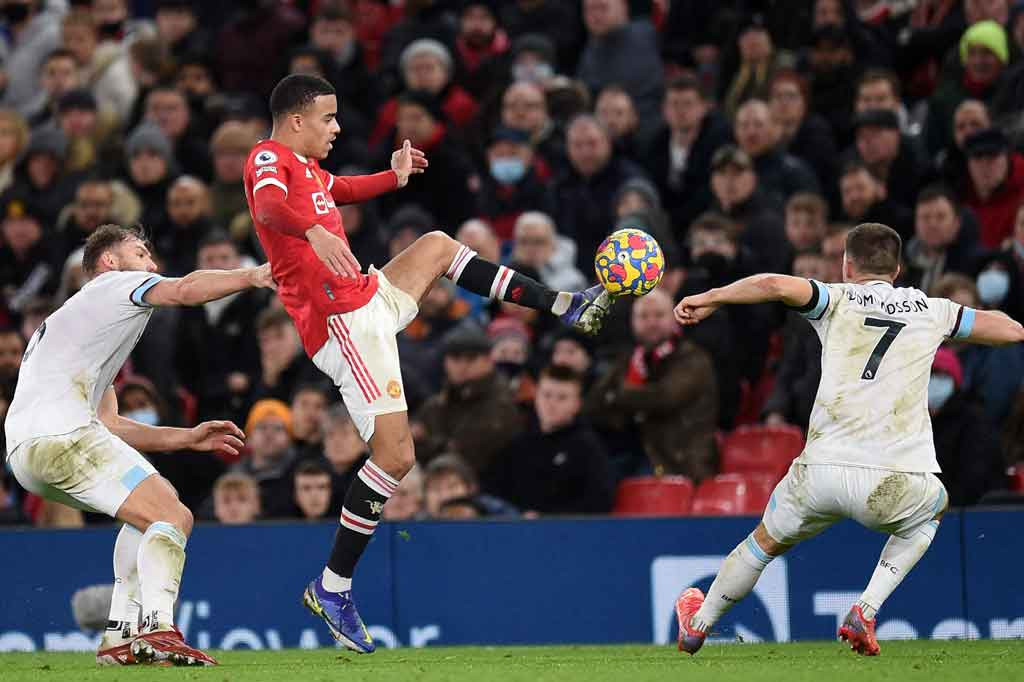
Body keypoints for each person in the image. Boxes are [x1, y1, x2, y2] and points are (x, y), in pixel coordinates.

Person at [243, 74, 613, 654]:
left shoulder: (310, 170)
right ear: (295, 121)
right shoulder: (269, 157)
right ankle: (333, 587)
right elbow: (268, 207)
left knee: (438, 246)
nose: (337, 127)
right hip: (342, 324)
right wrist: (312, 230)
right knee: (397, 457)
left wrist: (392, 177)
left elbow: (342, 189)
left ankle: (564, 304)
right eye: (328, 119)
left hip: (365, 295)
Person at [672, 222, 1024, 657]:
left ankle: (699, 624)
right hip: (896, 479)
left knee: (764, 542)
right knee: (933, 507)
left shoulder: (834, 299)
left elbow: (771, 283)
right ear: (897, 268)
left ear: (846, 264)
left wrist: (710, 298)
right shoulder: (932, 310)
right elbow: (1009, 331)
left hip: (820, 471)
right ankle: (866, 609)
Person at [4, 224, 275, 666]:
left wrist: (185, 437)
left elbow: (109, 423)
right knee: (174, 515)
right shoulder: (112, 286)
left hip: (28, 453)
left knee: (156, 508)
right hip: (61, 435)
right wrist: (251, 275)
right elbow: (186, 289)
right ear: (109, 262)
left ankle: (119, 636)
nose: (151, 264)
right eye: (141, 253)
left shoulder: (81, 328)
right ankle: (159, 628)